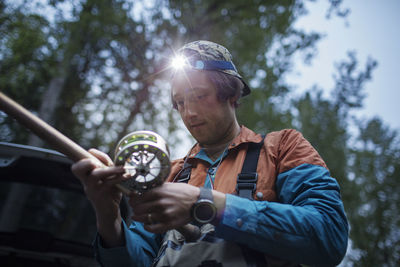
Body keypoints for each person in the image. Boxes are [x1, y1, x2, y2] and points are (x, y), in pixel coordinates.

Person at [71, 40, 349, 266]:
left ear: (231, 95)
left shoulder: (283, 147)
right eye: (179, 102)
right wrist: (108, 216)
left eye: (199, 96)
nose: (188, 113)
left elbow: (329, 237)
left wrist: (205, 203)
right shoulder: (171, 174)